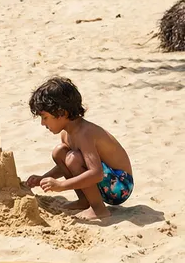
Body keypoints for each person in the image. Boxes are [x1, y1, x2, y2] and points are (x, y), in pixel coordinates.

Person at [27, 77, 133, 220]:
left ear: (62, 113)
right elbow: (69, 166)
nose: (42, 123)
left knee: (73, 158)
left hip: (121, 185)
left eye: (45, 117)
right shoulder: (66, 133)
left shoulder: (84, 133)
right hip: (106, 180)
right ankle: (85, 201)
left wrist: (61, 185)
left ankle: (98, 209)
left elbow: (96, 174)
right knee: (59, 152)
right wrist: (43, 178)